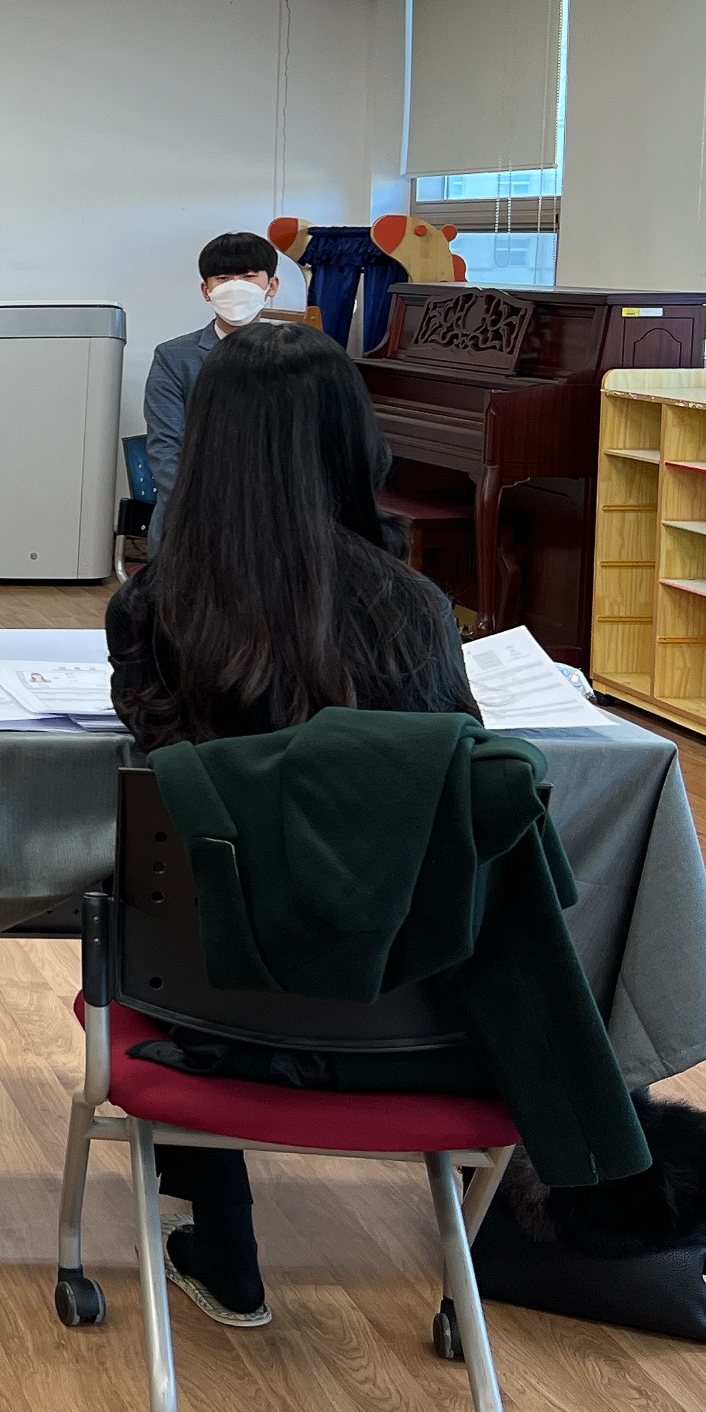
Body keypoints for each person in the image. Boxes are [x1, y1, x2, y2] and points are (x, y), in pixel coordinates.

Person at [105, 320, 475, 1330]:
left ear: (208, 445)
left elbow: (179, 782)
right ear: (354, 441)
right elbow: (447, 785)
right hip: (408, 1004)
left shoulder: (153, 611)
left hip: (216, 1010)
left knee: (171, 895)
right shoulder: (416, 609)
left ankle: (225, 1237)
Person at [142, 229, 284, 547]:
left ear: (272, 285)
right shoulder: (173, 357)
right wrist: (200, 509)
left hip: (274, 518)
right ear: (206, 290)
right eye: (223, 278)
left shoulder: (294, 355)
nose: (236, 286)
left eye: (248, 276)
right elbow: (165, 446)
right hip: (192, 518)